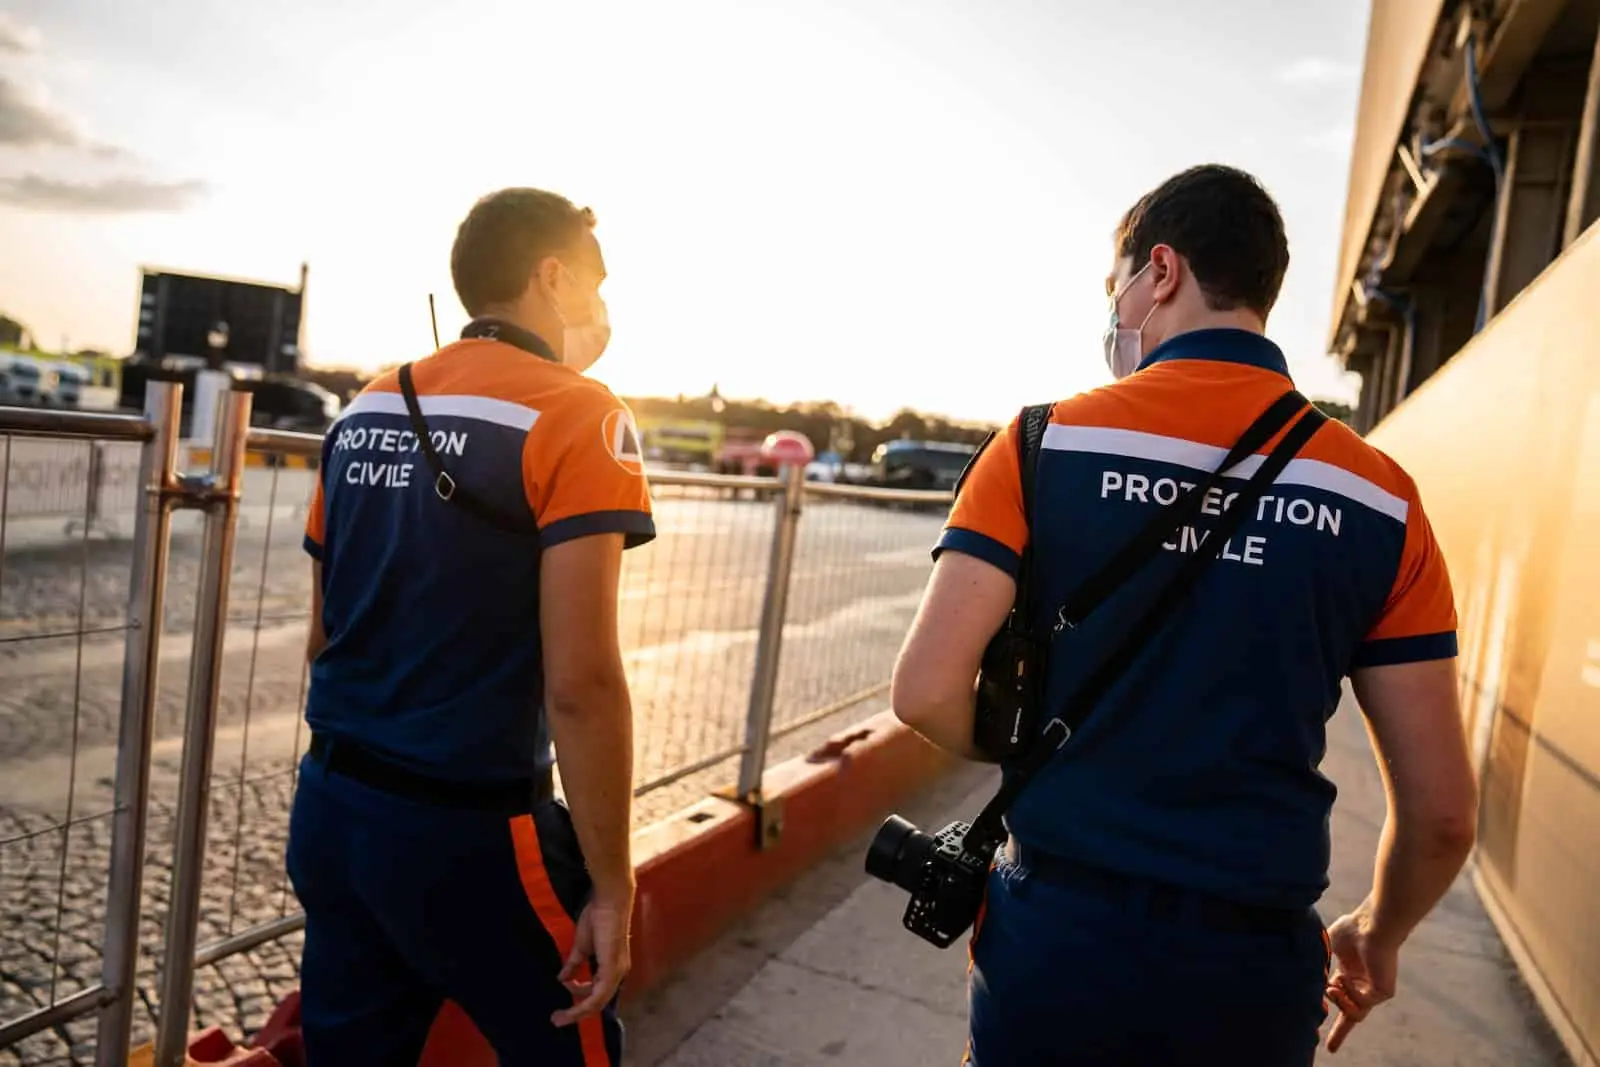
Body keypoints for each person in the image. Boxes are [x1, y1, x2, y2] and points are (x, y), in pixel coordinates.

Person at [891, 164, 1478, 1066]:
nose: (1115, 310)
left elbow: (926, 691)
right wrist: (1378, 930)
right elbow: (1442, 816)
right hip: (1251, 967)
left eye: (1116, 284)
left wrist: (1033, 744)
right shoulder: (1381, 497)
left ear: (1160, 271)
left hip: (1057, 939)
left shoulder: (1041, 443)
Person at [290, 187, 651, 1066]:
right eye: (597, 283)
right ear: (552, 276)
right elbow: (581, 683)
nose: (603, 306)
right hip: (471, 832)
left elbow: (322, 638)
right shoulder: (581, 413)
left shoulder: (366, 407)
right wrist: (612, 883)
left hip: (333, 809)